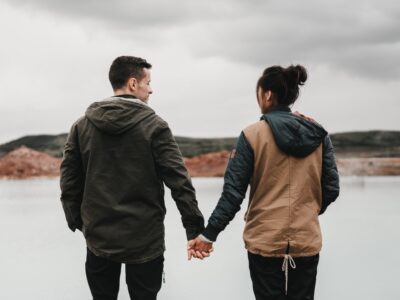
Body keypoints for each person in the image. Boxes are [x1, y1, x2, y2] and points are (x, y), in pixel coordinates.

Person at [60, 56, 205, 300]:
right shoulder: (156, 126)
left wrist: (80, 223)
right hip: (145, 240)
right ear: (133, 83)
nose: (151, 89)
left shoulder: (81, 126)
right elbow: (179, 181)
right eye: (148, 82)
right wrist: (194, 229)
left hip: (99, 237)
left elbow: (69, 182)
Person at [189, 65, 340, 299]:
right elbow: (331, 189)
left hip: (264, 241)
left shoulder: (251, 135)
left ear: (267, 94)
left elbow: (232, 195)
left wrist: (208, 236)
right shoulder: (318, 135)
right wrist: (306, 212)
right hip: (306, 239)